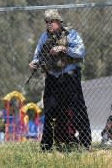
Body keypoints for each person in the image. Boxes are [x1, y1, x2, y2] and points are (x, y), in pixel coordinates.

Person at [29, 9, 91, 151]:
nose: (49, 25)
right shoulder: (44, 37)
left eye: (51, 21)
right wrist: (34, 62)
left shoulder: (71, 34)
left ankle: (85, 143)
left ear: (58, 21)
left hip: (70, 78)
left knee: (78, 109)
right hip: (52, 79)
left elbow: (81, 51)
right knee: (50, 111)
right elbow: (38, 54)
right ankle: (46, 146)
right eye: (47, 22)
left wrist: (64, 48)